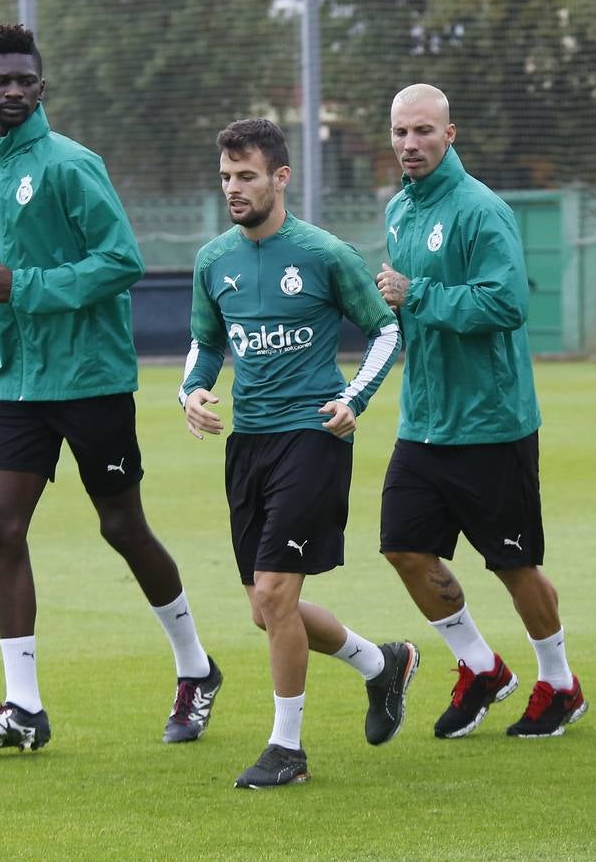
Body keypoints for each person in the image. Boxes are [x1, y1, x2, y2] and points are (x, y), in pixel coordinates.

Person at [0, 24, 221, 755]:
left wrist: (22, 286)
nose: (11, 91)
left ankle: (196, 669)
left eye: (23, 81)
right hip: (18, 380)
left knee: (121, 528)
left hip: (92, 378)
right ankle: (23, 709)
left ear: (41, 88)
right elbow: (8, 272)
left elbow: (121, 261)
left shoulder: (71, 165)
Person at [180, 117, 418, 789]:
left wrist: (354, 400)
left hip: (312, 435)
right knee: (264, 606)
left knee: (277, 592)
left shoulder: (323, 253)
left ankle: (287, 749)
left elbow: (383, 330)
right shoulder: (212, 260)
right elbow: (206, 342)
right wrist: (192, 391)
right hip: (247, 442)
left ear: (280, 178)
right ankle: (382, 664)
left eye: (246, 176)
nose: (234, 188)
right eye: (226, 177)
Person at [376, 83, 588, 739]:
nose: (409, 144)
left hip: (490, 421)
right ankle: (480, 667)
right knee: (404, 549)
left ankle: (559, 683)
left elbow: (505, 305)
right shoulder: (397, 212)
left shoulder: (480, 210)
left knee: (512, 564)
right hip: (424, 421)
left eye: (422, 131)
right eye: (400, 132)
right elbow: (403, 312)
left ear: (449, 134)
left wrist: (417, 295)